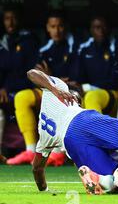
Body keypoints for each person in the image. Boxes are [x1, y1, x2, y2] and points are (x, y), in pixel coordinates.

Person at [28, 69, 118, 195]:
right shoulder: (58, 87)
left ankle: (97, 178)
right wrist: (55, 89)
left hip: (71, 142)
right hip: (84, 120)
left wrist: (44, 190)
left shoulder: (44, 134)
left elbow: (37, 168)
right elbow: (32, 73)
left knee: (113, 182)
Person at [7, 12, 78, 166]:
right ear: (47, 28)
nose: (57, 30)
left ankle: (59, 153)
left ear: (65, 27)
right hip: (50, 90)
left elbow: (74, 77)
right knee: (22, 97)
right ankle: (31, 150)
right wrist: (51, 79)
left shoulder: (75, 45)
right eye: (53, 26)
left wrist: (51, 76)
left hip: (72, 91)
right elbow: (37, 77)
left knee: (63, 98)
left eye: (59, 26)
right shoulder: (45, 49)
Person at [0, 7, 40, 164]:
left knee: (22, 98)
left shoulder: (29, 40)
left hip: (25, 88)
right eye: (6, 18)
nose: (10, 22)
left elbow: (30, 72)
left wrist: (7, 88)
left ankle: (32, 150)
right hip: (7, 91)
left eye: (13, 17)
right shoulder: (2, 42)